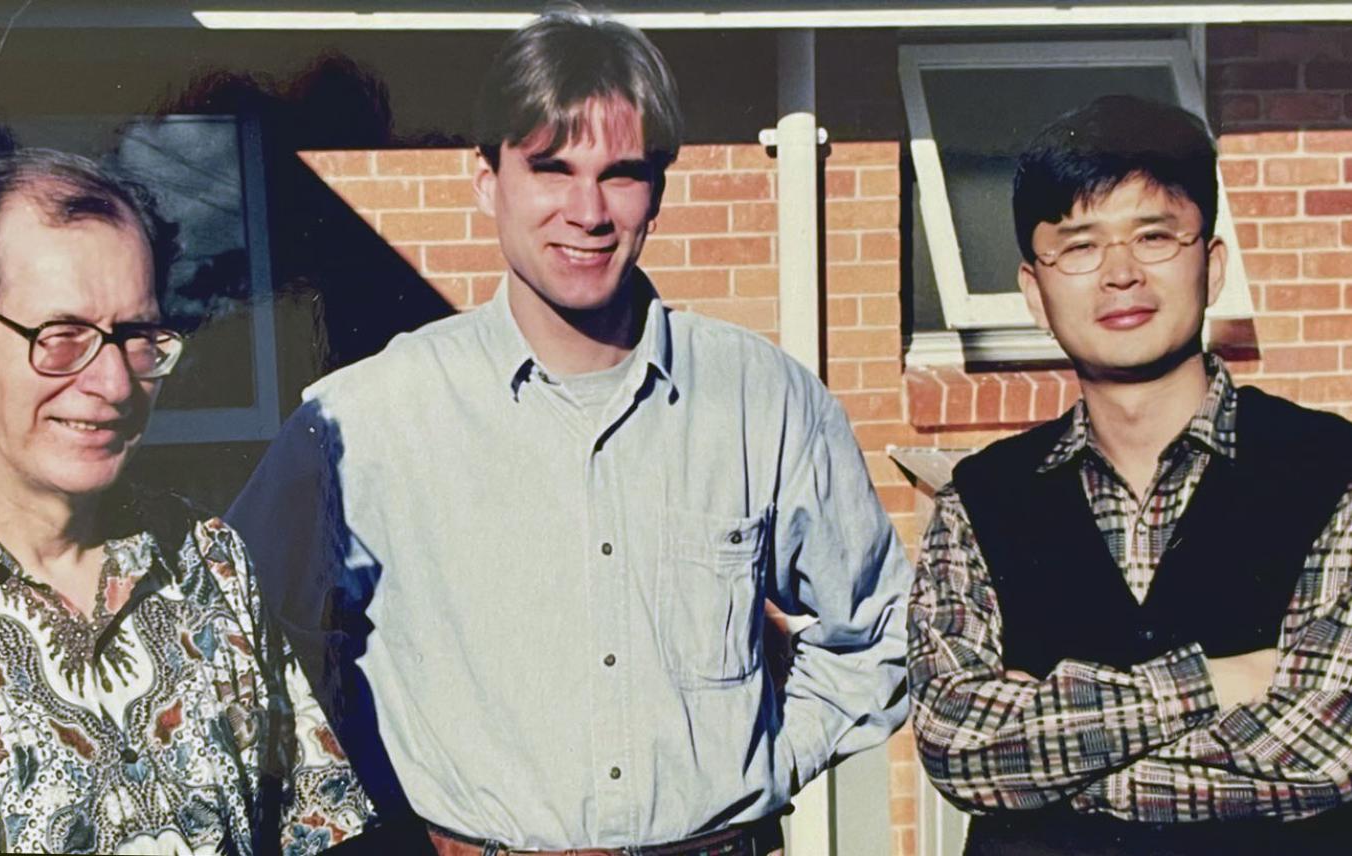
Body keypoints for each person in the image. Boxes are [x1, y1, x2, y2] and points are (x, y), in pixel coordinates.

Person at [227, 8, 910, 854]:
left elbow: (879, 632)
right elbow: (237, 639)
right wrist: (378, 793)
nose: (587, 211)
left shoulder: (761, 401)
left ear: (657, 187)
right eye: (551, 167)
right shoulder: (365, 418)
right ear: (488, 178)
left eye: (620, 174)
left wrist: (769, 761)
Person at [0, 149, 371, 853]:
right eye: (61, 337)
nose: (114, 383)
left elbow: (314, 827)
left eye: (137, 337)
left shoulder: (211, 563)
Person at [908, 95, 1352, 856]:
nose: (1119, 274)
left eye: (1154, 236)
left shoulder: (1332, 470)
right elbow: (955, 739)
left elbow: (1324, 746)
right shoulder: (976, 501)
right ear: (1033, 291)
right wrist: (1211, 684)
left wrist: (1047, 772)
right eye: (1078, 246)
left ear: (1211, 266)